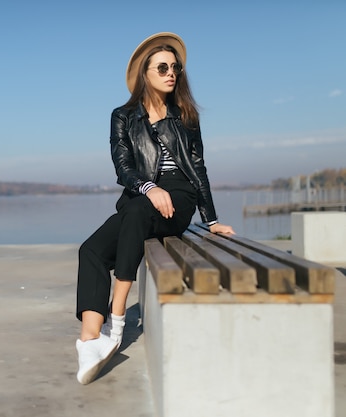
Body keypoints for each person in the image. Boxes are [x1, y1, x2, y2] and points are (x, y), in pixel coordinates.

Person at [75, 32, 235, 385]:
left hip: (178, 196)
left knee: (134, 214)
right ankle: (90, 340)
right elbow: (124, 168)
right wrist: (148, 187)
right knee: (91, 250)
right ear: (144, 74)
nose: (170, 72)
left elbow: (199, 168)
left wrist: (211, 220)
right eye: (161, 67)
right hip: (143, 195)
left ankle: (116, 321)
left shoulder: (185, 116)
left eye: (174, 67)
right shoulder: (123, 116)